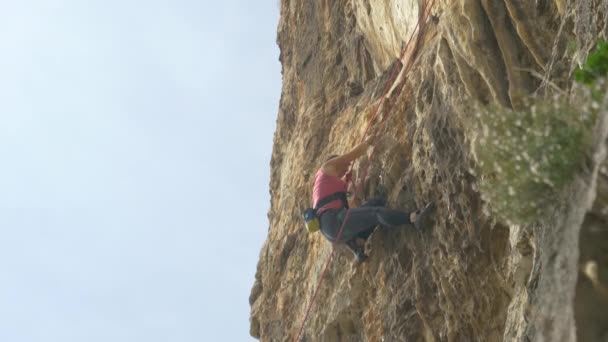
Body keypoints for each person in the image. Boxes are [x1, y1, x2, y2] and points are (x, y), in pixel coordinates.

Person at [311, 136, 434, 262]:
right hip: (334, 222)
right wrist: (370, 141)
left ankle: (359, 248)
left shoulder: (325, 185)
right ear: (336, 163)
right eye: (345, 168)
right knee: (375, 213)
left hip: (333, 231)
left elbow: (350, 209)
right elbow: (353, 154)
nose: (347, 169)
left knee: (377, 203)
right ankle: (413, 219)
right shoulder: (327, 167)